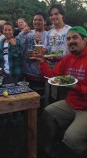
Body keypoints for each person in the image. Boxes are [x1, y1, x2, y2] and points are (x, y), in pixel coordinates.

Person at [32, 26, 87, 158]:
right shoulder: (68, 58)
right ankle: (50, 148)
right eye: (68, 39)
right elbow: (52, 76)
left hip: (85, 108)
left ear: (85, 40)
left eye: (75, 38)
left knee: (71, 138)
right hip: (71, 103)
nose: (71, 41)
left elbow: (77, 87)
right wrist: (42, 62)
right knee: (48, 112)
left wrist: (77, 88)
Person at [44, 4, 71, 102]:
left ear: (62, 15)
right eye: (51, 15)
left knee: (63, 94)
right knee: (50, 95)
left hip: (65, 67)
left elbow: (75, 51)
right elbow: (46, 49)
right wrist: (41, 51)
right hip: (50, 68)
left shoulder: (69, 30)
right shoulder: (49, 32)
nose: (53, 17)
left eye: (56, 14)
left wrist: (60, 58)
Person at [16, 11, 47, 97]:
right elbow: (16, 44)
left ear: (45, 22)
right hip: (25, 73)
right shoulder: (28, 33)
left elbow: (48, 52)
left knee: (38, 99)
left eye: (40, 20)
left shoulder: (47, 35)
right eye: (35, 19)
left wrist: (39, 45)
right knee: (25, 98)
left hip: (38, 74)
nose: (37, 22)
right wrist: (23, 33)